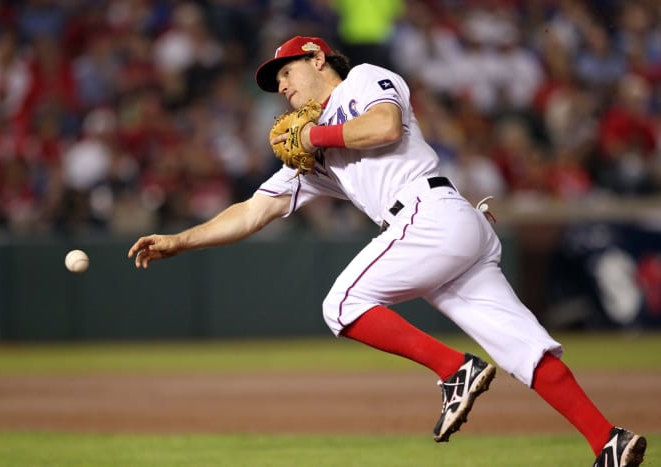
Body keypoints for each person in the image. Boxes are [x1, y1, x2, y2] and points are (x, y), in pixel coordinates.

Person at [128, 36, 647, 466]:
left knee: (341, 304)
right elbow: (253, 210)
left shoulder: (363, 80)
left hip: (430, 213)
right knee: (524, 349)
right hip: (442, 233)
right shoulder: (313, 152)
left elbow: (384, 128)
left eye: (285, 71)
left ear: (316, 57)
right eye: (274, 82)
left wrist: (315, 135)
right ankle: (608, 442)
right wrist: (181, 240)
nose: (280, 86)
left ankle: (454, 369)